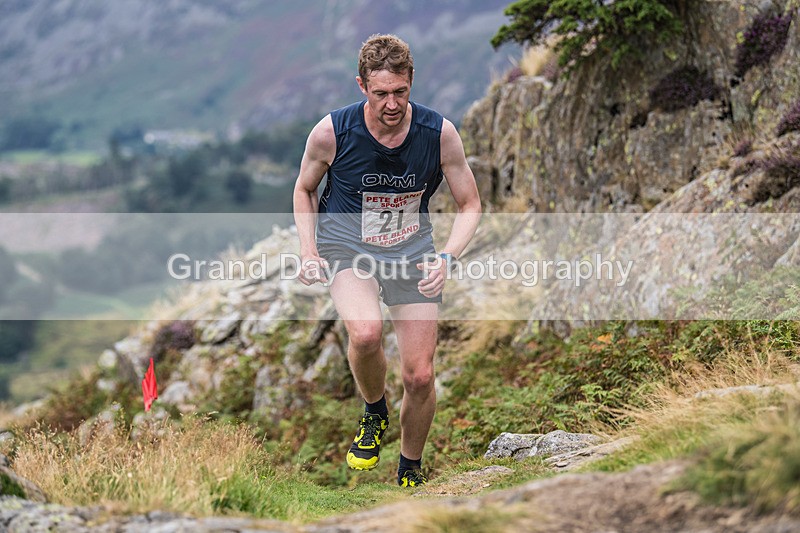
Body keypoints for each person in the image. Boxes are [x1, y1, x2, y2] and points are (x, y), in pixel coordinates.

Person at [293, 34, 481, 487]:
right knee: (366, 331)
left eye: (400, 91)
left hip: (410, 251)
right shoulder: (331, 132)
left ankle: (409, 469)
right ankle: (374, 409)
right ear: (362, 86)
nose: (392, 104)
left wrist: (448, 257)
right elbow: (304, 189)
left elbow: (470, 204)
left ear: (411, 81)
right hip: (347, 247)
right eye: (381, 94)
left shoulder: (439, 134)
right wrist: (308, 250)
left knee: (419, 376)